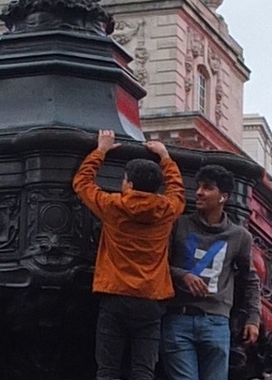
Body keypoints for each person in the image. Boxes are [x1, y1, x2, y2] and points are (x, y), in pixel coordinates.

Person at [73, 130, 187, 380]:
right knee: (143, 370)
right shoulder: (167, 210)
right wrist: (165, 157)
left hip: (116, 295)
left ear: (131, 185)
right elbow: (178, 192)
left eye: (124, 179)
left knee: (108, 369)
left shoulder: (113, 205)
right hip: (150, 298)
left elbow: (82, 183)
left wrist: (100, 150)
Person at [162, 164, 261, 380]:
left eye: (207, 188)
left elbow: (250, 279)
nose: (199, 192)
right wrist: (182, 275)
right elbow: (158, 264)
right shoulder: (178, 225)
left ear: (223, 197)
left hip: (217, 322)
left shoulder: (240, 237)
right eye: (198, 187)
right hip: (178, 316)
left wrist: (253, 318)